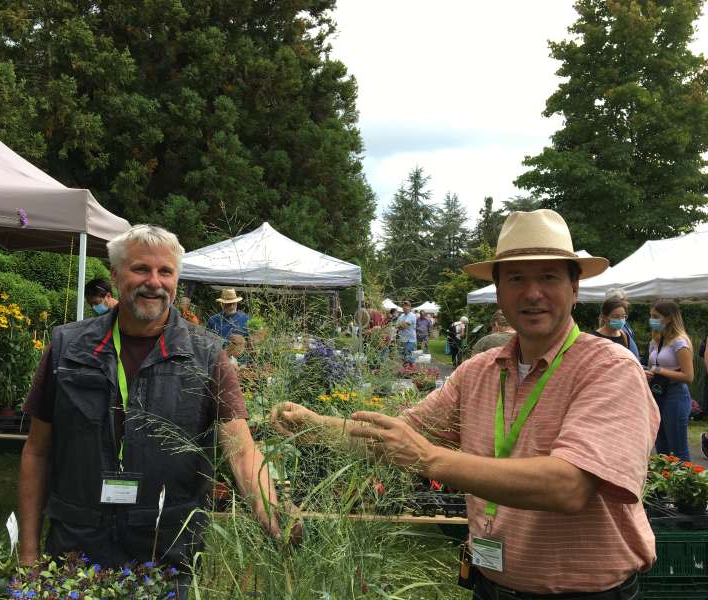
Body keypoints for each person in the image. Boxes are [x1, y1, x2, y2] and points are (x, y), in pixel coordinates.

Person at [272, 209, 657, 598]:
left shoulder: (609, 368)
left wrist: (429, 459)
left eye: (549, 277)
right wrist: (315, 425)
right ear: (499, 290)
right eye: (517, 278)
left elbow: (570, 486)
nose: (532, 292)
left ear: (574, 288)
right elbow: (397, 439)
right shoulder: (479, 372)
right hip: (490, 585)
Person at [19, 225, 291, 594]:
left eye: (165, 272)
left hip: (166, 552)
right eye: (140, 269)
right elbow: (37, 451)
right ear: (115, 275)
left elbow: (241, 448)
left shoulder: (207, 355)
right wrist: (29, 553)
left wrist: (272, 511)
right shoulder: (68, 346)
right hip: (76, 545)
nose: (154, 282)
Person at [646, 299, 694, 461]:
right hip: (657, 394)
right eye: (651, 315)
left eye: (655, 316)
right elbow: (652, 365)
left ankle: (686, 485)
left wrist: (660, 370)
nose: (651, 320)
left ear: (668, 318)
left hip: (675, 396)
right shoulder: (655, 340)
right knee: (661, 447)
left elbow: (688, 376)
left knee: (678, 449)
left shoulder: (679, 342)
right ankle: (665, 485)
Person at [605, 288, 640, 359]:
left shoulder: (624, 321)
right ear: (616, 302)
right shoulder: (610, 325)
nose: (628, 303)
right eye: (625, 300)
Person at [395, 301, 417, 365]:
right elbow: (396, 325)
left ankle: (412, 371)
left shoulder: (412, 315)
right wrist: (400, 325)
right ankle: (405, 372)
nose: (405, 307)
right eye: (404, 306)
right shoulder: (401, 316)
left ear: (410, 307)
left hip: (410, 340)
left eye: (407, 306)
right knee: (403, 357)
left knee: (410, 358)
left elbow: (403, 326)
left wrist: (401, 325)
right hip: (402, 339)